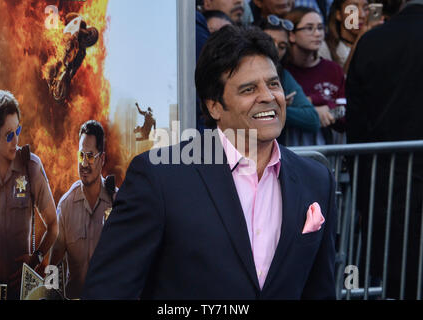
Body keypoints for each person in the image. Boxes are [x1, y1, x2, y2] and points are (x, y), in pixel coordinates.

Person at [82, 25, 337, 300]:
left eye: (273, 83)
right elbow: (108, 290)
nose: (268, 96)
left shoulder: (316, 180)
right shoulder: (160, 178)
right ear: (214, 106)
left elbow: (320, 291)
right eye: (249, 89)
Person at [346, 0, 423, 299]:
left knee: (398, 278)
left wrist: (361, 187)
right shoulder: (373, 40)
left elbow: (357, 122)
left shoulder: (373, 41)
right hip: (391, 180)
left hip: (386, 182)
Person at [0, 90, 58, 299]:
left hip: (21, 293)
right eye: (8, 135)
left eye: (18, 130)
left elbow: (53, 224)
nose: (16, 139)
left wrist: (36, 258)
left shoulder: (31, 168)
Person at [49, 120, 116, 299]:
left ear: (102, 159)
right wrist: (50, 295)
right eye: (81, 156)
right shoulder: (66, 206)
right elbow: (53, 263)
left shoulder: (117, 203)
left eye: (90, 156)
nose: (84, 163)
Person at [285, 7, 346, 145]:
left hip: (327, 150)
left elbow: (345, 111)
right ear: (292, 35)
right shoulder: (283, 71)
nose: (317, 33)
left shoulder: (333, 69)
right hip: (290, 148)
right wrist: (312, 109)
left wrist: (323, 104)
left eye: (320, 28)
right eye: (309, 28)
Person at [259, 16, 320, 146]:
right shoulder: (236, 72)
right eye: (269, 42)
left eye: (282, 46)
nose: (275, 50)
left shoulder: (283, 76)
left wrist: (281, 108)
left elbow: (312, 119)